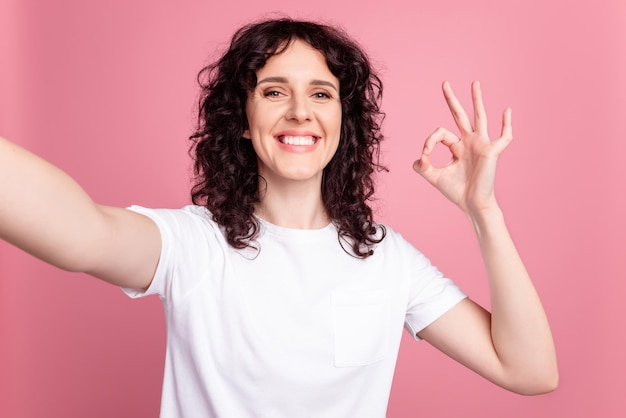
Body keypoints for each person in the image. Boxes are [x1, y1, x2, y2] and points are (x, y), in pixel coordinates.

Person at [0, 17, 557, 418]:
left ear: (344, 121)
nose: (300, 111)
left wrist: (483, 210)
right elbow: (79, 233)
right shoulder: (194, 244)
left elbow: (530, 372)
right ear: (242, 120)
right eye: (273, 91)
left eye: (321, 93)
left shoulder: (389, 258)